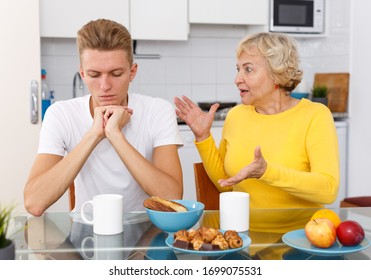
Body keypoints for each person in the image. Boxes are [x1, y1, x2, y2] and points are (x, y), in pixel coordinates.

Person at [174, 32, 340, 232]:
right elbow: (227, 186)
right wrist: (203, 137)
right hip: (241, 233)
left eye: (248, 69)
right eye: (238, 69)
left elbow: (328, 190)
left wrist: (267, 172)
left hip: (301, 236)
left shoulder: (315, 115)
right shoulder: (236, 116)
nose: (237, 79)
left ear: (277, 74)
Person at [24, 19, 183, 216]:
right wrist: (94, 135)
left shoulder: (158, 111)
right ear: (82, 73)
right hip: (87, 233)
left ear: (132, 72)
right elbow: (34, 203)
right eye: (94, 74)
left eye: (116, 74)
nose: (105, 86)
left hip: (147, 234)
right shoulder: (61, 114)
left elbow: (172, 196)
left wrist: (115, 135)